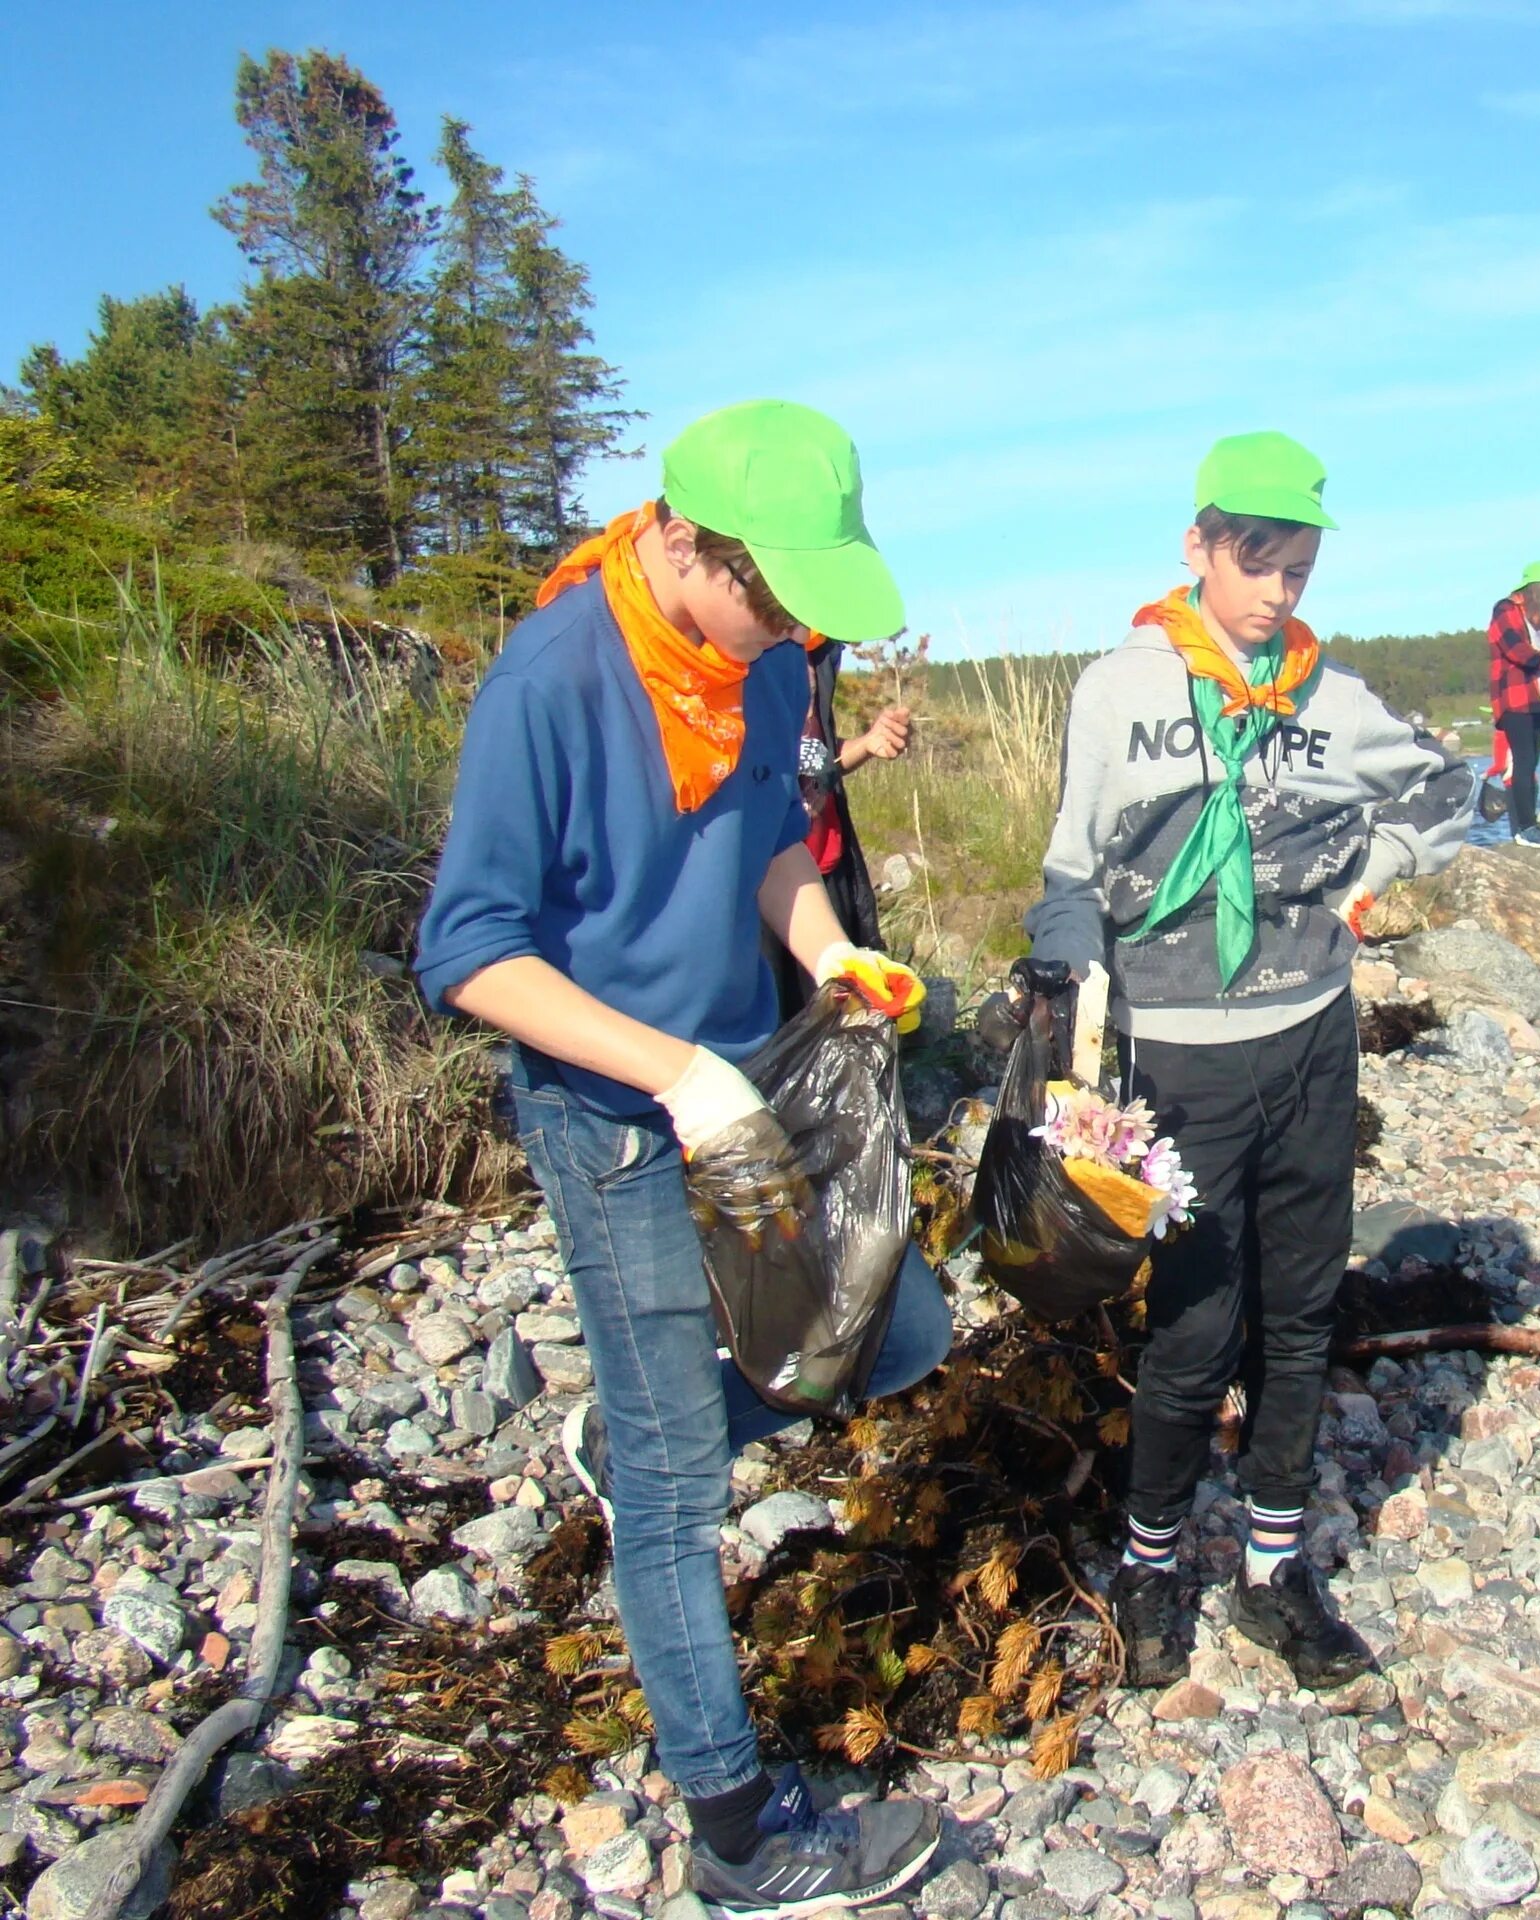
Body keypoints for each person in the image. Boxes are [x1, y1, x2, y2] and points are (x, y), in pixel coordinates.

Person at [414, 400, 951, 1917]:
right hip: (616, 1120)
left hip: (753, 1072)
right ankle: (735, 1837)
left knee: (896, 1333)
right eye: (767, 592)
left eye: (800, 602)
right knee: (669, 1495)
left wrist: (838, 956)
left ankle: (660, 1427)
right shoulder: (551, 680)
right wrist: (672, 1073)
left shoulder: (770, 661)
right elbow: (465, 951)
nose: (784, 627)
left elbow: (778, 842)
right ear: (675, 538)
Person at [1022, 430, 1472, 1689]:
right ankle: (1151, 1561)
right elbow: (1068, 864)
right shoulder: (1118, 687)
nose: (1278, 594)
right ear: (1198, 546)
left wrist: (1357, 890)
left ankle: (1276, 1565)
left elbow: (1446, 793)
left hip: (1313, 1043)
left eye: (1300, 571)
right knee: (1191, 1328)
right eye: (1257, 563)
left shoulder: (1336, 698)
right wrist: (1072, 994)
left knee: (1300, 1313)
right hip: (1178, 1058)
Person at [768, 655, 912, 1018]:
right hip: (764, 887)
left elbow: (816, 758)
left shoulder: (818, 654)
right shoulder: (752, 652)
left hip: (825, 867)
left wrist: (867, 743)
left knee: (833, 1016)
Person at [1486, 562, 1540, 846]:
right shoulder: (1506, 610)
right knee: (1522, 762)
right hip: (1515, 697)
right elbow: (1517, 652)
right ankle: (1523, 827)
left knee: (1531, 762)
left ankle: (1529, 822)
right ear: (1533, 588)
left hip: (1538, 697)